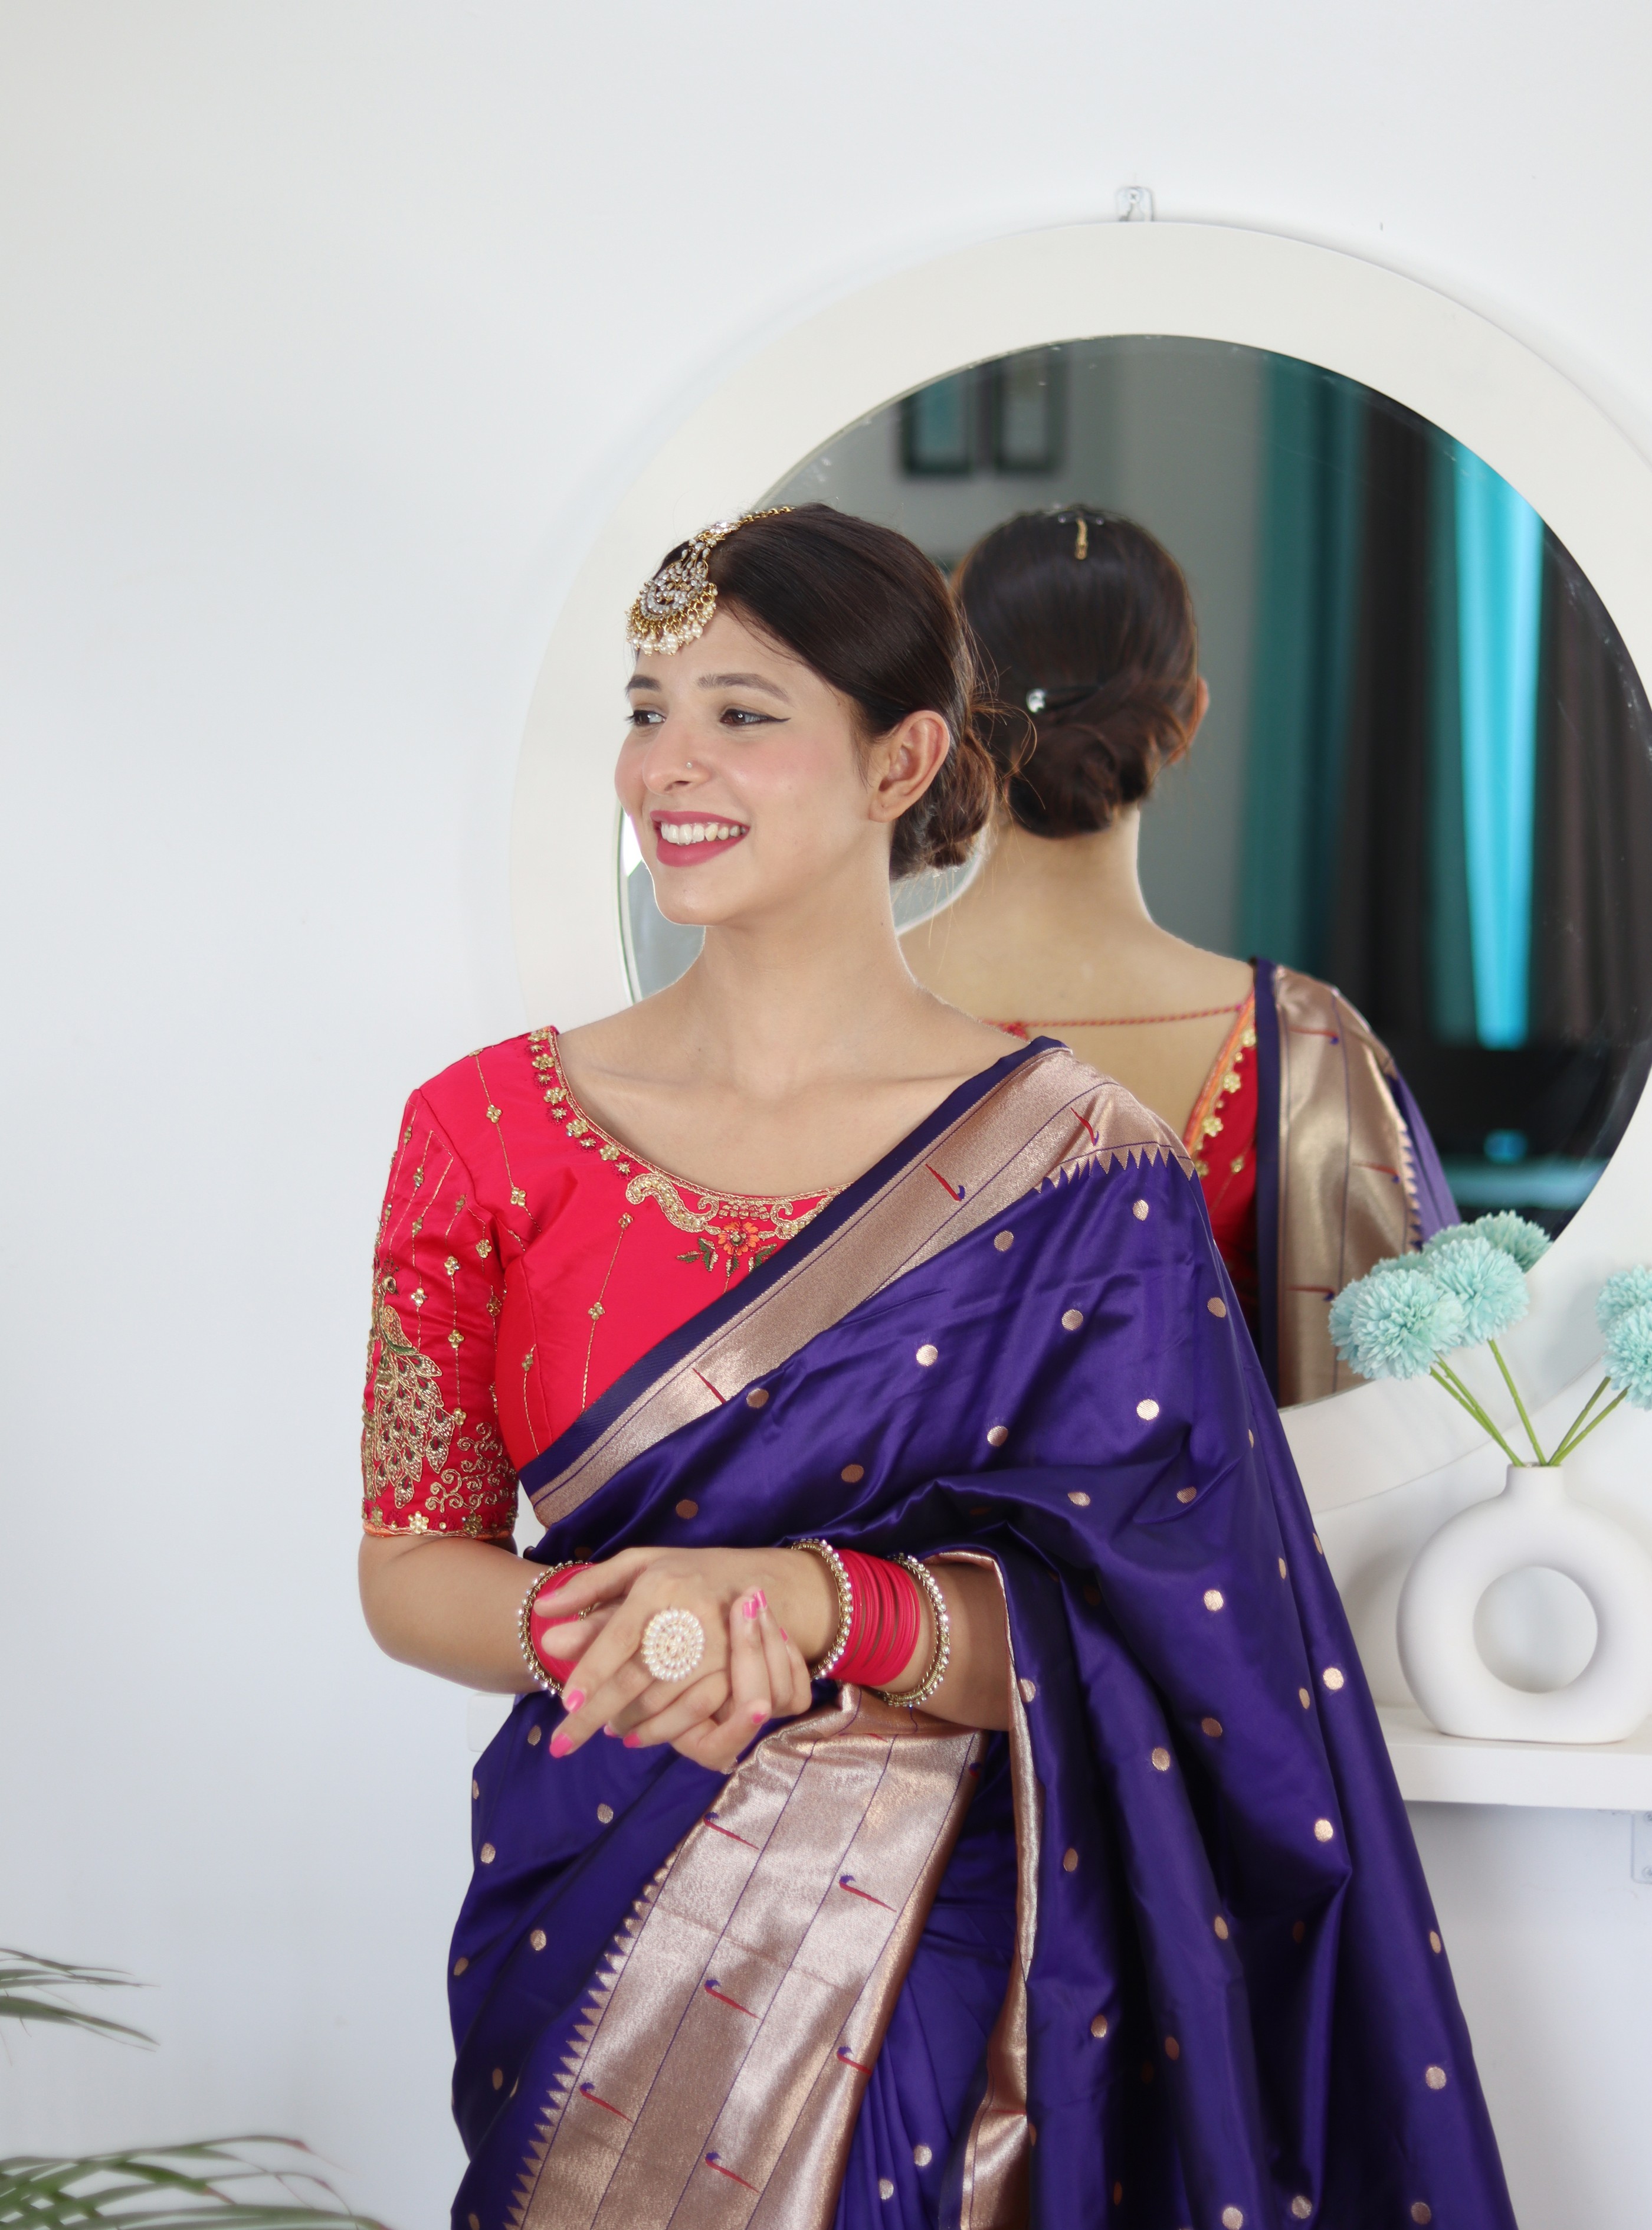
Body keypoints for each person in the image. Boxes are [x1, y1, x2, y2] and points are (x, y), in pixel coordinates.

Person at [358, 505, 1513, 2230]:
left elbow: (1183, 1637)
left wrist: (822, 1608)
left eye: (743, 713)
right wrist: (645, 1637)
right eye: (648, 708)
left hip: (953, 1966)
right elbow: (406, 1561)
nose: (669, 764)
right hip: (586, 1907)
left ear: (901, 759)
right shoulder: (480, 1133)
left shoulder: (1081, 1165)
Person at [903, 507, 1457, 1407]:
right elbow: (1403, 1420)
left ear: (956, 720)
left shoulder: (822, 1014)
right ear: (1188, 716)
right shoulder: (1311, 1047)